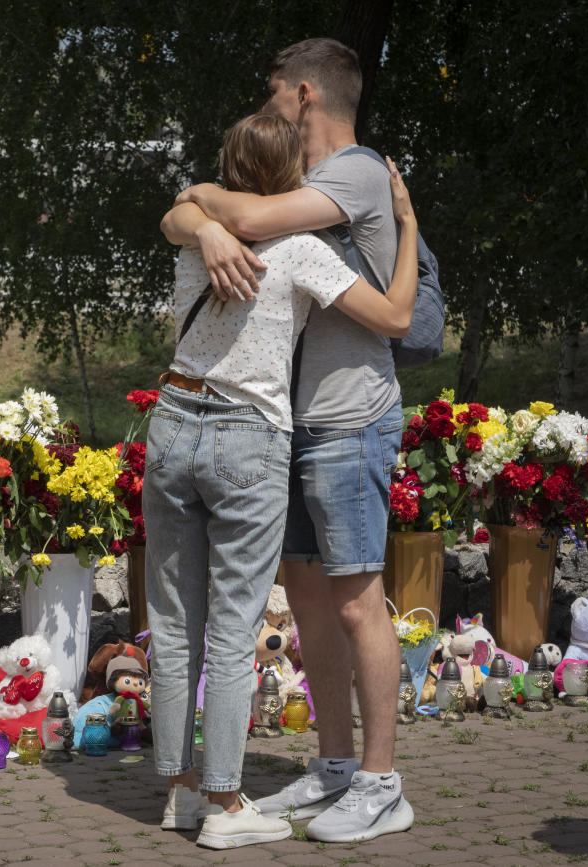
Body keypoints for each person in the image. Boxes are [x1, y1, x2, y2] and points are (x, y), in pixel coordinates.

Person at [159, 37, 415, 844]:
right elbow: (215, 215)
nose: (268, 101)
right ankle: (334, 766)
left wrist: (199, 206)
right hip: (278, 423)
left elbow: (250, 215)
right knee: (303, 598)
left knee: (349, 599)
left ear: (304, 94)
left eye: (273, 89)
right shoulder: (295, 207)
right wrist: (200, 218)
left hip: (343, 418)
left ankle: (378, 780)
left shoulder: (358, 173)